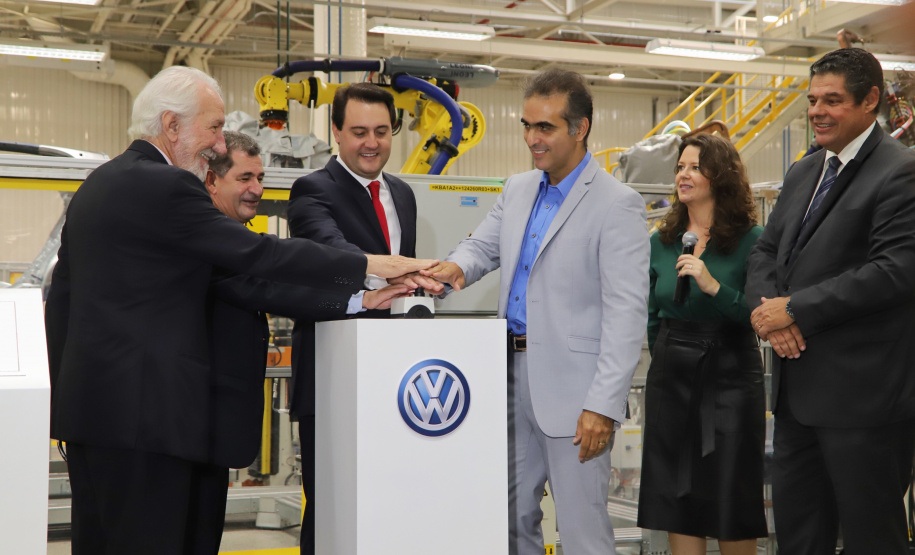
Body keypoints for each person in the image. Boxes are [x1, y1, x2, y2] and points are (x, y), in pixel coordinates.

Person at [43, 66, 434, 555]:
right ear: (171, 125)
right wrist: (369, 264)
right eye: (213, 127)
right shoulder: (166, 187)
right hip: (149, 423)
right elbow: (260, 255)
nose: (219, 144)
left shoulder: (97, 186)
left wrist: (357, 298)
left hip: (95, 418)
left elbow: (62, 300)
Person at [423, 68, 649, 555]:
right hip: (507, 377)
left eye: (544, 128)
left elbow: (627, 314)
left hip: (576, 392)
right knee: (509, 519)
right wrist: (445, 272)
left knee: (581, 529)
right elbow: (480, 248)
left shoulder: (617, 204)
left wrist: (603, 405)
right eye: (526, 126)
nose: (532, 139)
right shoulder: (519, 188)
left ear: (579, 128)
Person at [746, 48, 915, 555]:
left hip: (865, 402)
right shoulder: (805, 171)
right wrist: (769, 315)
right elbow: (766, 250)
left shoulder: (900, 172)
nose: (817, 110)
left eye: (833, 100)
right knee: (798, 538)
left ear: (871, 102)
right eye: (812, 99)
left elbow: (895, 272)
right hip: (797, 398)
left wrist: (794, 308)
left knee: (871, 538)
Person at [285, 82, 420, 555]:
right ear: (336, 133)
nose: (372, 142)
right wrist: (395, 270)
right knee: (332, 513)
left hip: (396, 380)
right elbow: (332, 253)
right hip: (334, 381)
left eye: (382, 131)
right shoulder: (311, 190)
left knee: (387, 508)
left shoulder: (402, 193)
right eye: (359, 131)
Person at [637, 133, 766, 555]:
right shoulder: (662, 240)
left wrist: (713, 287)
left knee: (732, 493)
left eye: (694, 166)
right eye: (679, 167)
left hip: (730, 374)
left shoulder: (752, 239)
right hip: (672, 376)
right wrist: (667, 360)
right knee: (678, 495)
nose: (683, 175)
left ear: (721, 175)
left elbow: (760, 318)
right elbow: (654, 316)